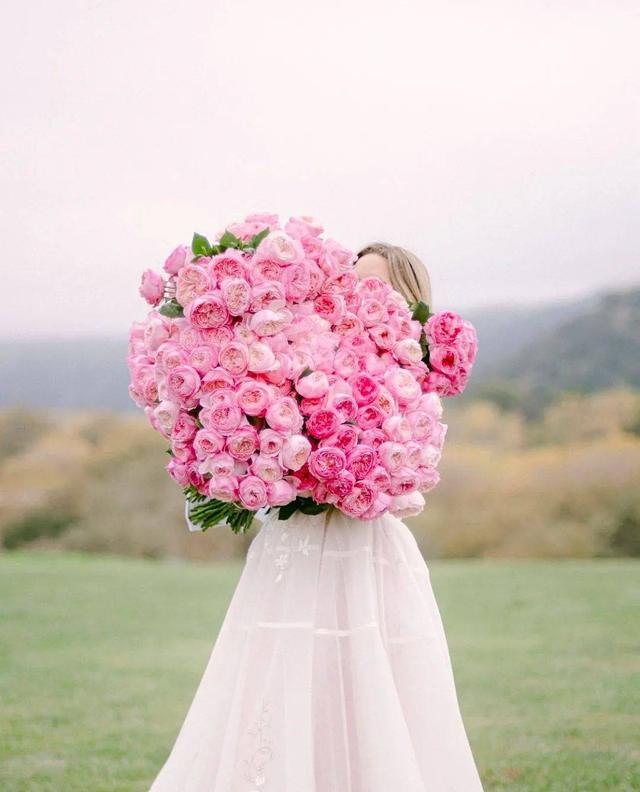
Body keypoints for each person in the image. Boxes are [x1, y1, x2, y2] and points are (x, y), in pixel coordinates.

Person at [149, 243, 484, 792]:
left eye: (378, 287)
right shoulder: (301, 347)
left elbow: (402, 471)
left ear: (406, 298)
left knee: (368, 674)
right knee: (280, 668)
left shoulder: (408, 376)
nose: (362, 297)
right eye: (355, 283)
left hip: (366, 547)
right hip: (294, 544)